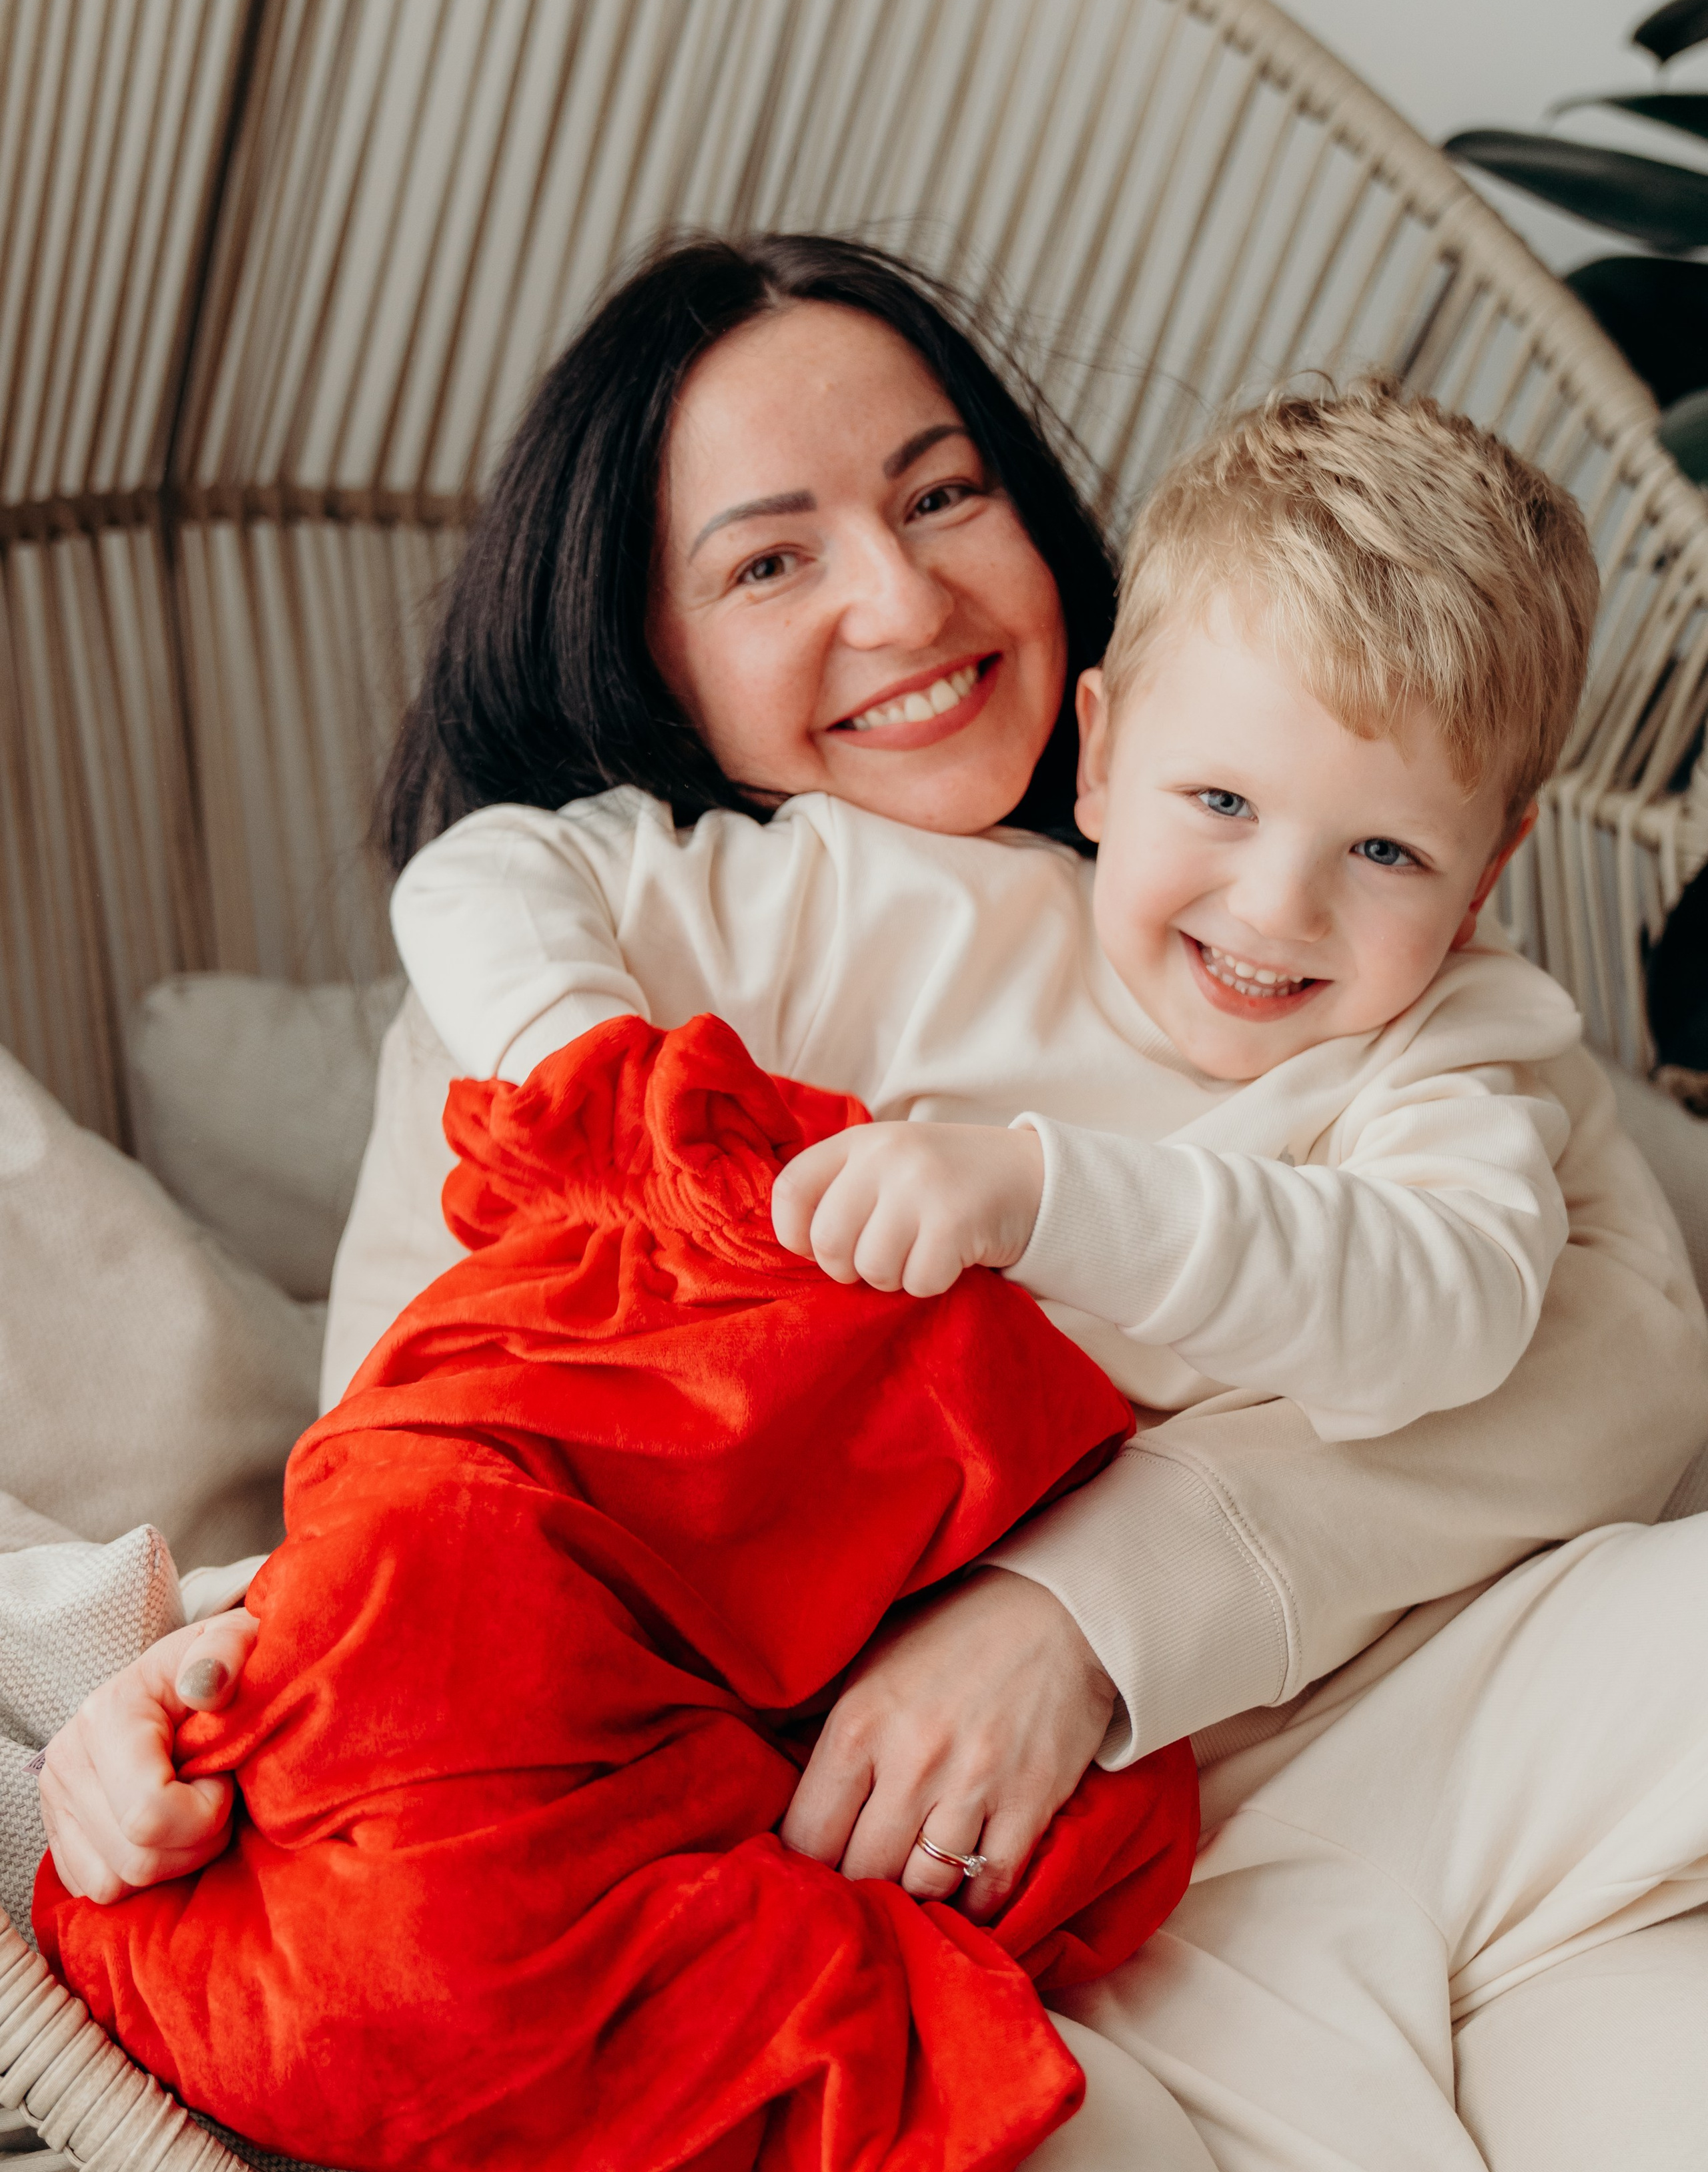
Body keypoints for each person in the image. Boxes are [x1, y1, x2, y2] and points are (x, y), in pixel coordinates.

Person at [38, 234, 1708, 2172]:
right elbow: (452, 1485)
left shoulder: (1362, 931)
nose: (906, 604)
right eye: (768, 562)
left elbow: (1600, 1354)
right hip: (885, 1897)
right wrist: (185, 1698)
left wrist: (1073, 1610)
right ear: (641, 648)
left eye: (943, 496)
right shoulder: (664, 969)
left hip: (1420, 1747)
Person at [390, 377, 1595, 1448]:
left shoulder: (1441, 1049)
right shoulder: (911, 898)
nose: (1278, 907)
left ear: (1487, 874)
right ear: (1105, 755)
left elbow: (1459, 1304)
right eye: (1223, 800)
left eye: (1386, 849)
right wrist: (599, 1083)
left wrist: (1037, 1198)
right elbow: (490, 873)